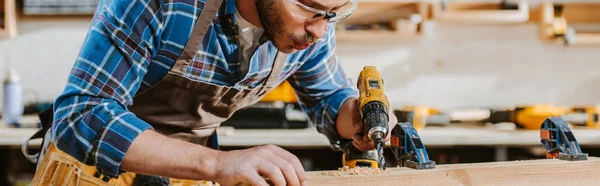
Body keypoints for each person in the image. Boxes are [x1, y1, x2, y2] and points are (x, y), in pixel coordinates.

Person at [41, 0, 398, 185]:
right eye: (308, 8)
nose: (320, 30)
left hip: (192, 175)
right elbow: (82, 115)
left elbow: (326, 97)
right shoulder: (163, 4)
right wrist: (219, 163)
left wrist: (354, 119)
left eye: (334, 13)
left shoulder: (314, 26)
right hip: (91, 175)